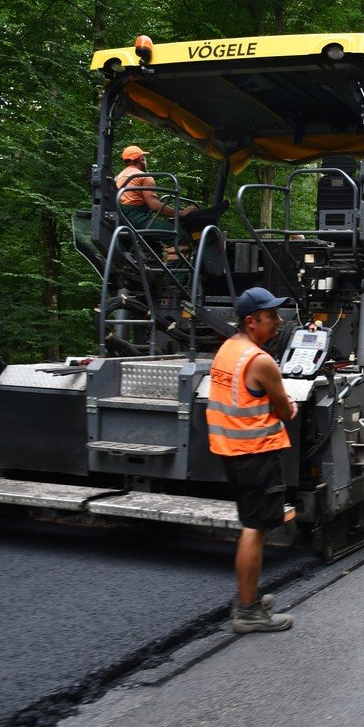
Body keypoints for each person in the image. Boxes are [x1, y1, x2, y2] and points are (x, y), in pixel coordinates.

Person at [207, 286, 298, 634]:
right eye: (271, 316)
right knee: (254, 528)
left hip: (230, 451)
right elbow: (284, 410)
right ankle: (248, 612)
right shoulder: (260, 361)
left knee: (251, 522)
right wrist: (290, 406)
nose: (277, 321)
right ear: (251, 321)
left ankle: (249, 597)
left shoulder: (229, 349)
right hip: (256, 454)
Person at [115, 145, 193, 231]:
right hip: (137, 219)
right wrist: (181, 213)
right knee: (180, 236)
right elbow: (154, 206)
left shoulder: (118, 177)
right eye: (145, 158)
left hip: (121, 219)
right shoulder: (144, 177)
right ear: (141, 159)